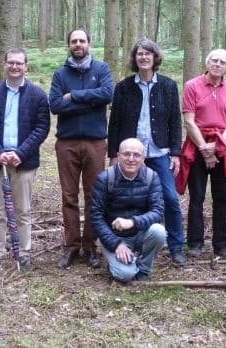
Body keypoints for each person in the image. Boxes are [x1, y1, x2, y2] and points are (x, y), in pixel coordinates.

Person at [107, 38, 185, 266]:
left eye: (148, 54)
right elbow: (115, 123)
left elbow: (175, 121)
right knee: (127, 198)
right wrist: (114, 154)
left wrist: (175, 152)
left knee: (170, 198)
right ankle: (127, 242)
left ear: (155, 58)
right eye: (140, 54)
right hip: (131, 156)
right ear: (134, 58)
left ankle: (176, 246)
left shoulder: (168, 86)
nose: (143, 57)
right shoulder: (123, 87)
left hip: (159, 152)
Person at [0, 48, 50, 271]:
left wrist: (20, 153)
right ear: (4, 64)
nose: (15, 67)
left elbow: (41, 128)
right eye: (11, 63)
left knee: (22, 209)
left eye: (19, 63)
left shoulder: (38, 95)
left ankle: (24, 252)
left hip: (24, 162)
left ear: (26, 66)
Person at [49, 28, 114, 269]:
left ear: (89, 43)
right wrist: (90, 101)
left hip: (95, 143)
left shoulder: (101, 69)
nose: (78, 44)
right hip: (66, 143)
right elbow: (55, 105)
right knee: (69, 196)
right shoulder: (59, 74)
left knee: (93, 196)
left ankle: (90, 246)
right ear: (69, 45)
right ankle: (71, 246)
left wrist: (74, 96)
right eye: (74, 41)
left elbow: (107, 94)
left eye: (82, 40)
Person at [177, 49, 226, 260]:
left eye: (223, 62)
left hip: (222, 146)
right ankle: (195, 243)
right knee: (196, 197)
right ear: (207, 63)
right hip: (197, 145)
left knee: (221, 197)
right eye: (214, 61)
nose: (217, 64)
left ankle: (222, 244)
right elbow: (189, 120)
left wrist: (217, 146)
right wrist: (204, 149)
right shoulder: (192, 86)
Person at [91, 138, 166, 283]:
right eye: (126, 154)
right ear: (118, 156)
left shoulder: (151, 177)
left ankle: (143, 269)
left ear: (143, 158)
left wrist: (132, 222)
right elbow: (96, 217)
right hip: (114, 237)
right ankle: (121, 262)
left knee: (159, 231)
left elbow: (158, 211)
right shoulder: (105, 179)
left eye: (136, 155)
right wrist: (116, 244)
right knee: (125, 275)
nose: (131, 159)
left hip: (140, 233)